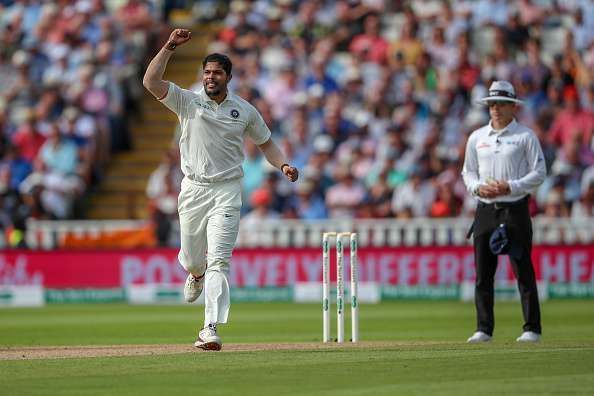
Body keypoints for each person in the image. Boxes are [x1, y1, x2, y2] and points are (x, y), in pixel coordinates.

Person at [142, 29, 299, 351]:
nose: (211, 77)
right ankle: (194, 274)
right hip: (193, 190)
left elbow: (266, 143)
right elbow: (150, 82)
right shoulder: (188, 101)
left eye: (217, 72)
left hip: (227, 190)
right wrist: (169, 47)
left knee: (220, 261)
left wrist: (282, 165)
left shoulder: (244, 110)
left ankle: (209, 327)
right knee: (193, 259)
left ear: (228, 77)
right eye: (207, 72)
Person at [461, 80, 546, 343]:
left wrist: (511, 186)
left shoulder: (525, 136)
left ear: (512, 107)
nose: (495, 109)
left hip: (515, 209)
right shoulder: (477, 137)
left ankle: (531, 328)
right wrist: (477, 188)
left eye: (501, 104)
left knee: (523, 270)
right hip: (486, 210)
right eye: (491, 104)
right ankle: (483, 329)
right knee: (483, 273)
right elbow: (468, 171)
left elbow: (539, 172)